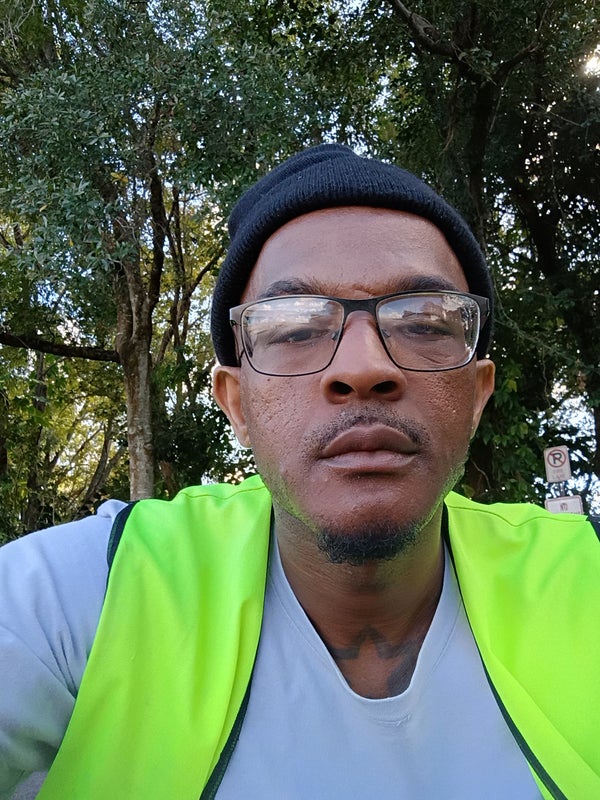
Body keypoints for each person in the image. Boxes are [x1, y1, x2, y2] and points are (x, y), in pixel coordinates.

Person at [0, 144, 599, 800]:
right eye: (294, 330)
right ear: (237, 404)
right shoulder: (87, 594)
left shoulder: (583, 573)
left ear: (478, 394)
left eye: (424, 322)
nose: (364, 367)